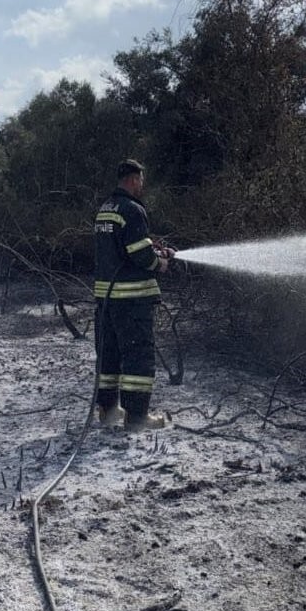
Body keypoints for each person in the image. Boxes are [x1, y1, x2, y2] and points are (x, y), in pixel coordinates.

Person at [93, 159, 174, 431]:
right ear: (132, 179)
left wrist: (152, 248)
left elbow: (119, 249)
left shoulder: (105, 210)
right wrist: (159, 263)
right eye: (141, 180)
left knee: (109, 357)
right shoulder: (132, 209)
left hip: (106, 301)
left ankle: (107, 410)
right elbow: (139, 254)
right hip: (132, 300)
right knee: (138, 356)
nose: (142, 185)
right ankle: (137, 418)